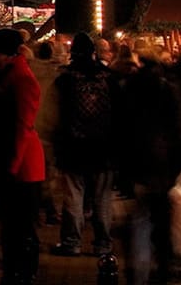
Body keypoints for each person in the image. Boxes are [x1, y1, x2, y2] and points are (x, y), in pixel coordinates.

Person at [113, 41, 181, 285]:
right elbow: (179, 129)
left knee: (139, 220)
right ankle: (163, 269)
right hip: (162, 163)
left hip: (135, 162)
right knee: (161, 221)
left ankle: (139, 273)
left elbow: (119, 130)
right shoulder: (168, 88)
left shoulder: (127, 88)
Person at [0, 27, 45, 285]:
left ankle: (23, 273)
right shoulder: (8, 73)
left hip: (23, 166)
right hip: (15, 162)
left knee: (21, 227)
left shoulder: (21, 78)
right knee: (12, 226)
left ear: (2, 54)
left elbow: (22, 125)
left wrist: (11, 166)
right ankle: (15, 271)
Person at [48, 33, 115, 257]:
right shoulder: (109, 77)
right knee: (102, 199)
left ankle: (72, 242)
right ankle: (103, 244)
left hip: (73, 147)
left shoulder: (65, 78)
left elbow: (54, 115)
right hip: (104, 147)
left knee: (73, 198)